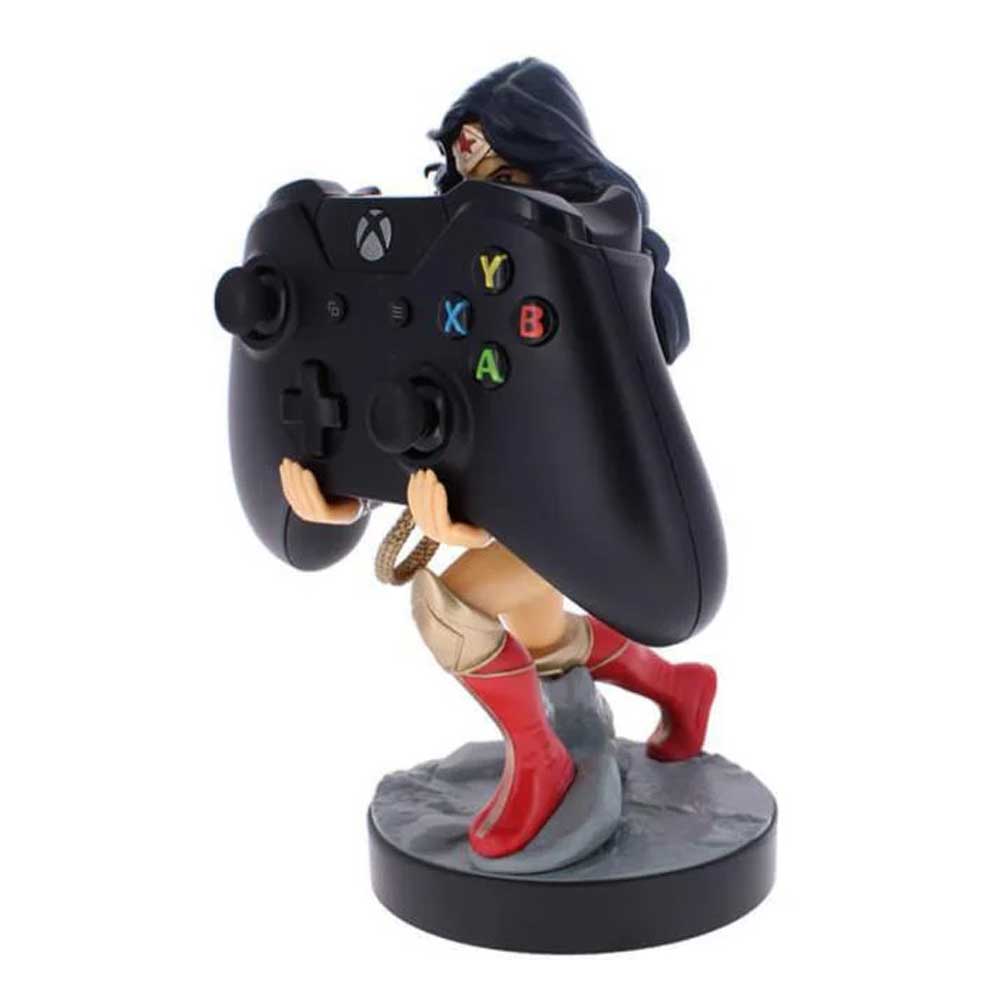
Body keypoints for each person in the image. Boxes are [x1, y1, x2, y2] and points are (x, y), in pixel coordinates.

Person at [279, 59, 716, 859]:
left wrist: (475, 521)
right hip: (509, 482)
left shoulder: (582, 283)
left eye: (509, 180)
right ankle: (678, 689)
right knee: (541, 632)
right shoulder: (461, 284)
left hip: (571, 492)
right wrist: (345, 488)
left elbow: (560, 430)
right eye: (469, 182)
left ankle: (541, 761)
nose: (484, 202)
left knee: (452, 607)